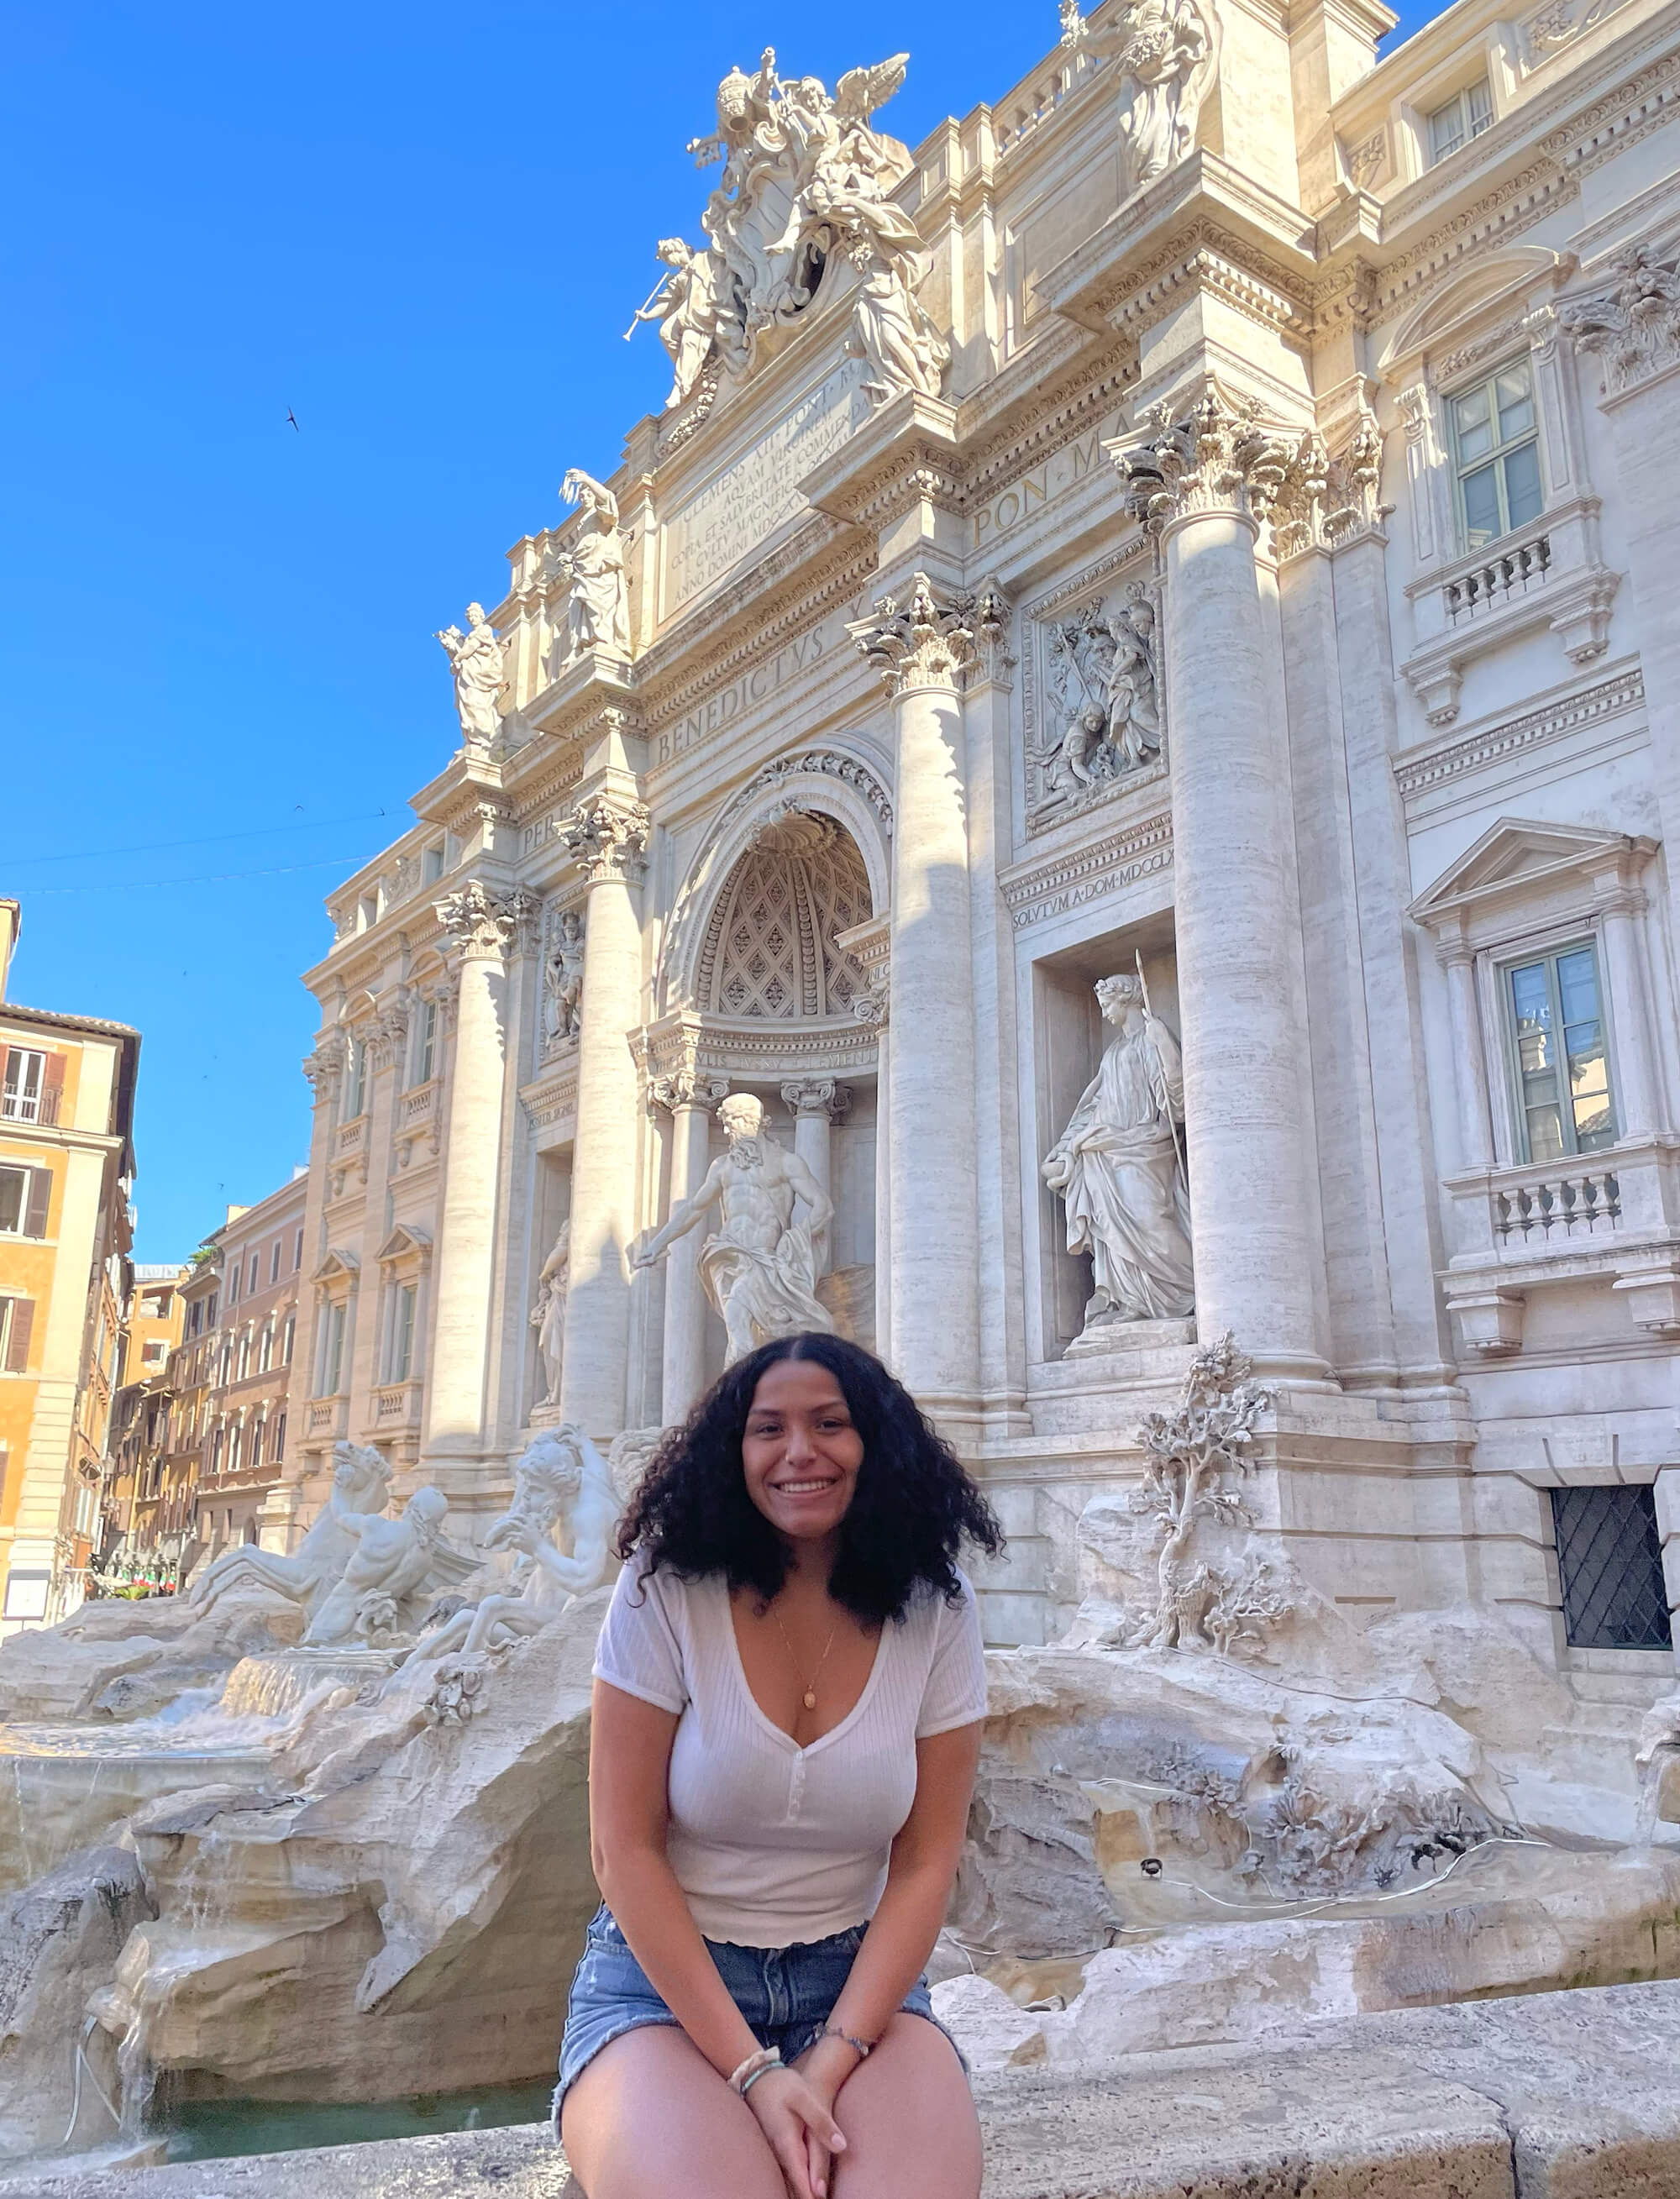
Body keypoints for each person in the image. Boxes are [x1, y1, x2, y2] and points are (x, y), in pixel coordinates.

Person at [556, 1331, 1004, 2199]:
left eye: (829, 1423)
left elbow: (924, 1861)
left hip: (856, 1985)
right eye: (768, 1428)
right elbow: (622, 1851)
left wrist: (832, 2055)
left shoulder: (938, 1605)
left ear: (877, 1444)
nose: (800, 1451)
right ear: (735, 1450)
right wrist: (755, 2073)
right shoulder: (663, 1587)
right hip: (663, 1986)